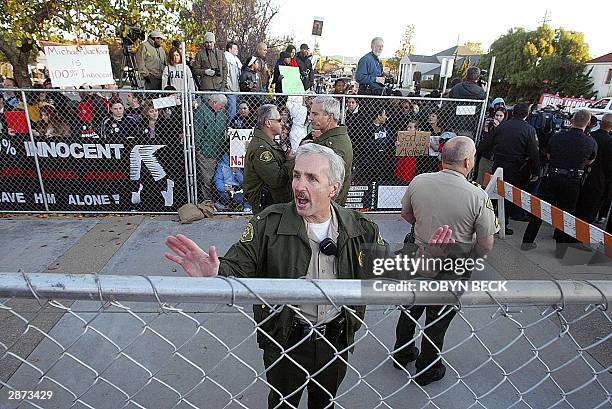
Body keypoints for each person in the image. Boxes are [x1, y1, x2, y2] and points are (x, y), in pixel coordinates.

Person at [165, 143, 392, 409]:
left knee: (325, 402)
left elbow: (388, 268)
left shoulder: (360, 229)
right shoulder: (268, 224)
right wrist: (215, 271)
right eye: (297, 175)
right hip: (286, 337)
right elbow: (239, 264)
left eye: (311, 178)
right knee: (283, 403)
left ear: (334, 188)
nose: (298, 185)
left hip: (336, 338)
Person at [393, 136, 498, 386]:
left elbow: (405, 213)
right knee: (438, 319)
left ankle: (402, 353)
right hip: (453, 265)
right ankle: (427, 369)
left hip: (417, 256)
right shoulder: (478, 196)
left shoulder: (420, 181)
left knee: (410, 308)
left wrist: (424, 232)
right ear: (468, 161)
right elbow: (486, 243)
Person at [522, 109, 597, 254]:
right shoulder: (590, 141)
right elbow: (590, 160)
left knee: (541, 209)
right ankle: (560, 250)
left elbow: (549, 154)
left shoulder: (558, 137)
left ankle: (527, 241)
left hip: (553, 176)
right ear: (588, 123)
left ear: (572, 119)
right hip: (572, 180)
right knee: (567, 214)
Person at [492, 103, 539, 234]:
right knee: (508, 196)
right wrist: (536, 171)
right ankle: (502, 223)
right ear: (527, 113)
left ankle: (488, 220)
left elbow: (489, 142)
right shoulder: (529, 130)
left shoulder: (502, 126)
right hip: (516, 168)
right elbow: (534, 152)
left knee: (493, 194)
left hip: (498, 164)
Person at [243, 104, 294, 214]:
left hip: (272, 200)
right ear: (268, 123)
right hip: (266, 204)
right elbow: (276, 180)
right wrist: (289, 160)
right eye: (279, 120)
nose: (282, 123)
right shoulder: (261, 149)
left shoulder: (267, 142)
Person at [309, 96, 353, 205]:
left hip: (326, 207)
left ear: (329, 117)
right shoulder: (331, 138)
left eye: (315, 114)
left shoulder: (332, 145)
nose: (310, 118)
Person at [575, 113, 612, 223]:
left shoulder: (589, 136)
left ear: (600, 123)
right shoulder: (609, 142)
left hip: (581, 175)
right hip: (599, 180)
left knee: (576, 206)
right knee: (589, 210)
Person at [193, 93, 228, 201]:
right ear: (213, 102)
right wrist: (199, 149)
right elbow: (197, 132)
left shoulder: (221, 112)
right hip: (206, 151)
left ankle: (219, 200)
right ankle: (208, 201)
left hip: (219, 150)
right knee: (207, 179)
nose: (222, 108)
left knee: (219, 178)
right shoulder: (201, 111)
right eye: (221, 105)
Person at [448, 67, 486, 137]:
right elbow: (486, 102)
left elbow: (449, 102)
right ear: (478, 77)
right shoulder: (480, 91)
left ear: (466, 75)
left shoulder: (457, 87)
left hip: (455, 122)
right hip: (471, 123)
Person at [476, 107, 507, 185]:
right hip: (486, 157)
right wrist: (486, 128)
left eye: (501, 116)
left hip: (496, 160)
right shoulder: (491, 127)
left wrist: (498, 129)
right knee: (480, 180)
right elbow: (486, 142)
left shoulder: (505, 128)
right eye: (497, 115)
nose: (498, 118)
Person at [224, 41, 242, 125]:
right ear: (229, 49)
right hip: (231, 90)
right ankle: (229, 128)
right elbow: (226, 74)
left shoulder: (236, 60)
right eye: (235, 48)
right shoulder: (227, 59)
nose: (237, 50)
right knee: (231, 110)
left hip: (236, 89)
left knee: (236, 111)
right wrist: (228, 86)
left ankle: (235, 128)